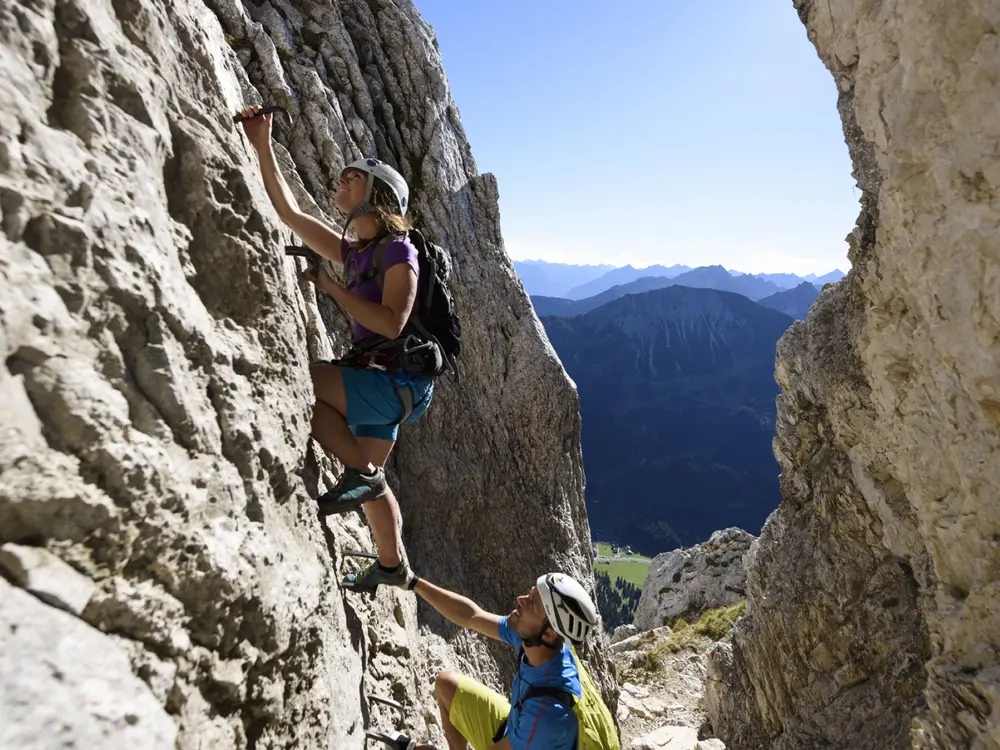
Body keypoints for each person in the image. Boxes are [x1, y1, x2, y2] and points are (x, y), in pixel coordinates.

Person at [239, 104, 434, 592]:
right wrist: (262, 143)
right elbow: (289, 213)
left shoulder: (399, 250)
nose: (338, 183)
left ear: (376, 193)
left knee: (299, 383)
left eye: (351, 177)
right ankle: (391, 566)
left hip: (394, 378)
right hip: (393, 381)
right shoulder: (356, 251)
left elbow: (392, 323)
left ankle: (364, 479)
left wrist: (332, 288)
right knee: (371, 478)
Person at [405, 570, 610, 750]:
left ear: (548, 634)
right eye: (530, 593)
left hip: (529, 735)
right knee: (446, 685)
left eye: (532, 604)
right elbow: (472, 616)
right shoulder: (535, 641)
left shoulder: (546, 715)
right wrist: (412, 581)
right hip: (518, 729)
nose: (521, 599)